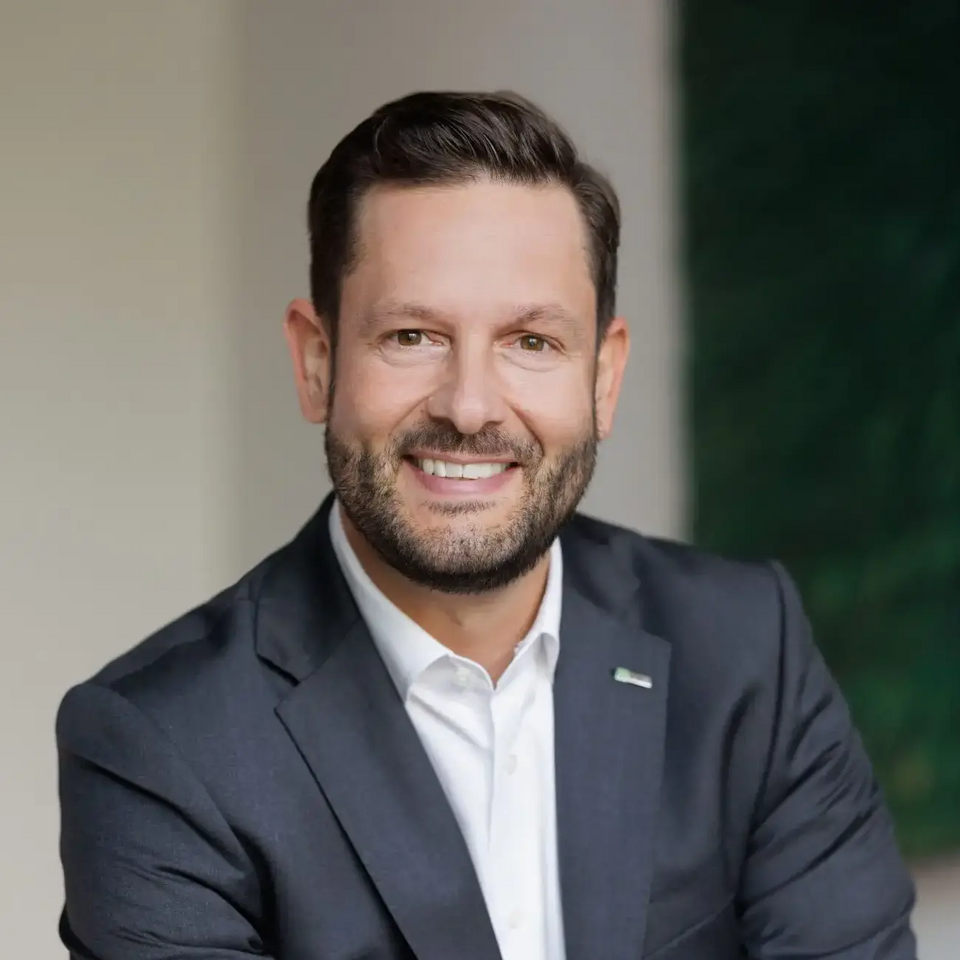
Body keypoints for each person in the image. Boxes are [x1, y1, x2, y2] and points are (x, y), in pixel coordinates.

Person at [56, 90, 918, 960]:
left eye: (531, 342)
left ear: (604, 378)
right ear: (317, 362)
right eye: (412, 335)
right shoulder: (159, 744)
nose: (469, 407)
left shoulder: (746, 654)